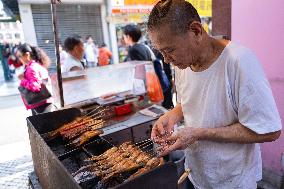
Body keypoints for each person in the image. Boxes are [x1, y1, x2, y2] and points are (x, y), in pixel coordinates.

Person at [148, 0, 282, 189]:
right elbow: (192, 101)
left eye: (170, 50)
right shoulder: (183, 63)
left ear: (195, 31)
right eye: (161, 52)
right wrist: (172, 115)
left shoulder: (239, 62)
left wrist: (198, 133)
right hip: (196, 173)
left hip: (233, 180)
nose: (167, 60)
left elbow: (269, 130)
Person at [16, 43, 54, 115]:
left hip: (40, 105)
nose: (19, 59)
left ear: (27, 55)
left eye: (19, 56)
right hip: (44, 102)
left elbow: (35, 86)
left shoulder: (31, 68)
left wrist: (23, 80)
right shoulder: (36, 65)